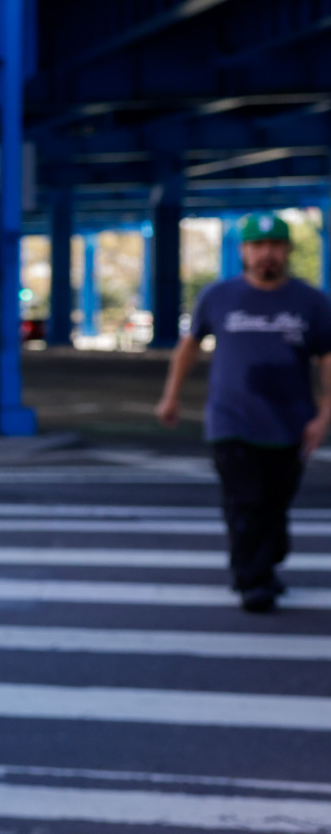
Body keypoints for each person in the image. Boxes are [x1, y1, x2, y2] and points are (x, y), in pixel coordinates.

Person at [156, 211, 331, 613]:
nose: (265, 254)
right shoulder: (218, 297)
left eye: (274, 246)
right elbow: (189, 346)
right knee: (245, 501)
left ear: (287, 250)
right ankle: (252, 580)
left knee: (275, 503)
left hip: (291, 422)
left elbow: (326, 358)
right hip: (231, 419)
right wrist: (171, 396)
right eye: (257, 246)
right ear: (243, 252)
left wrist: (324, 414)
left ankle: (265, 565)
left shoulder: (311, 302)